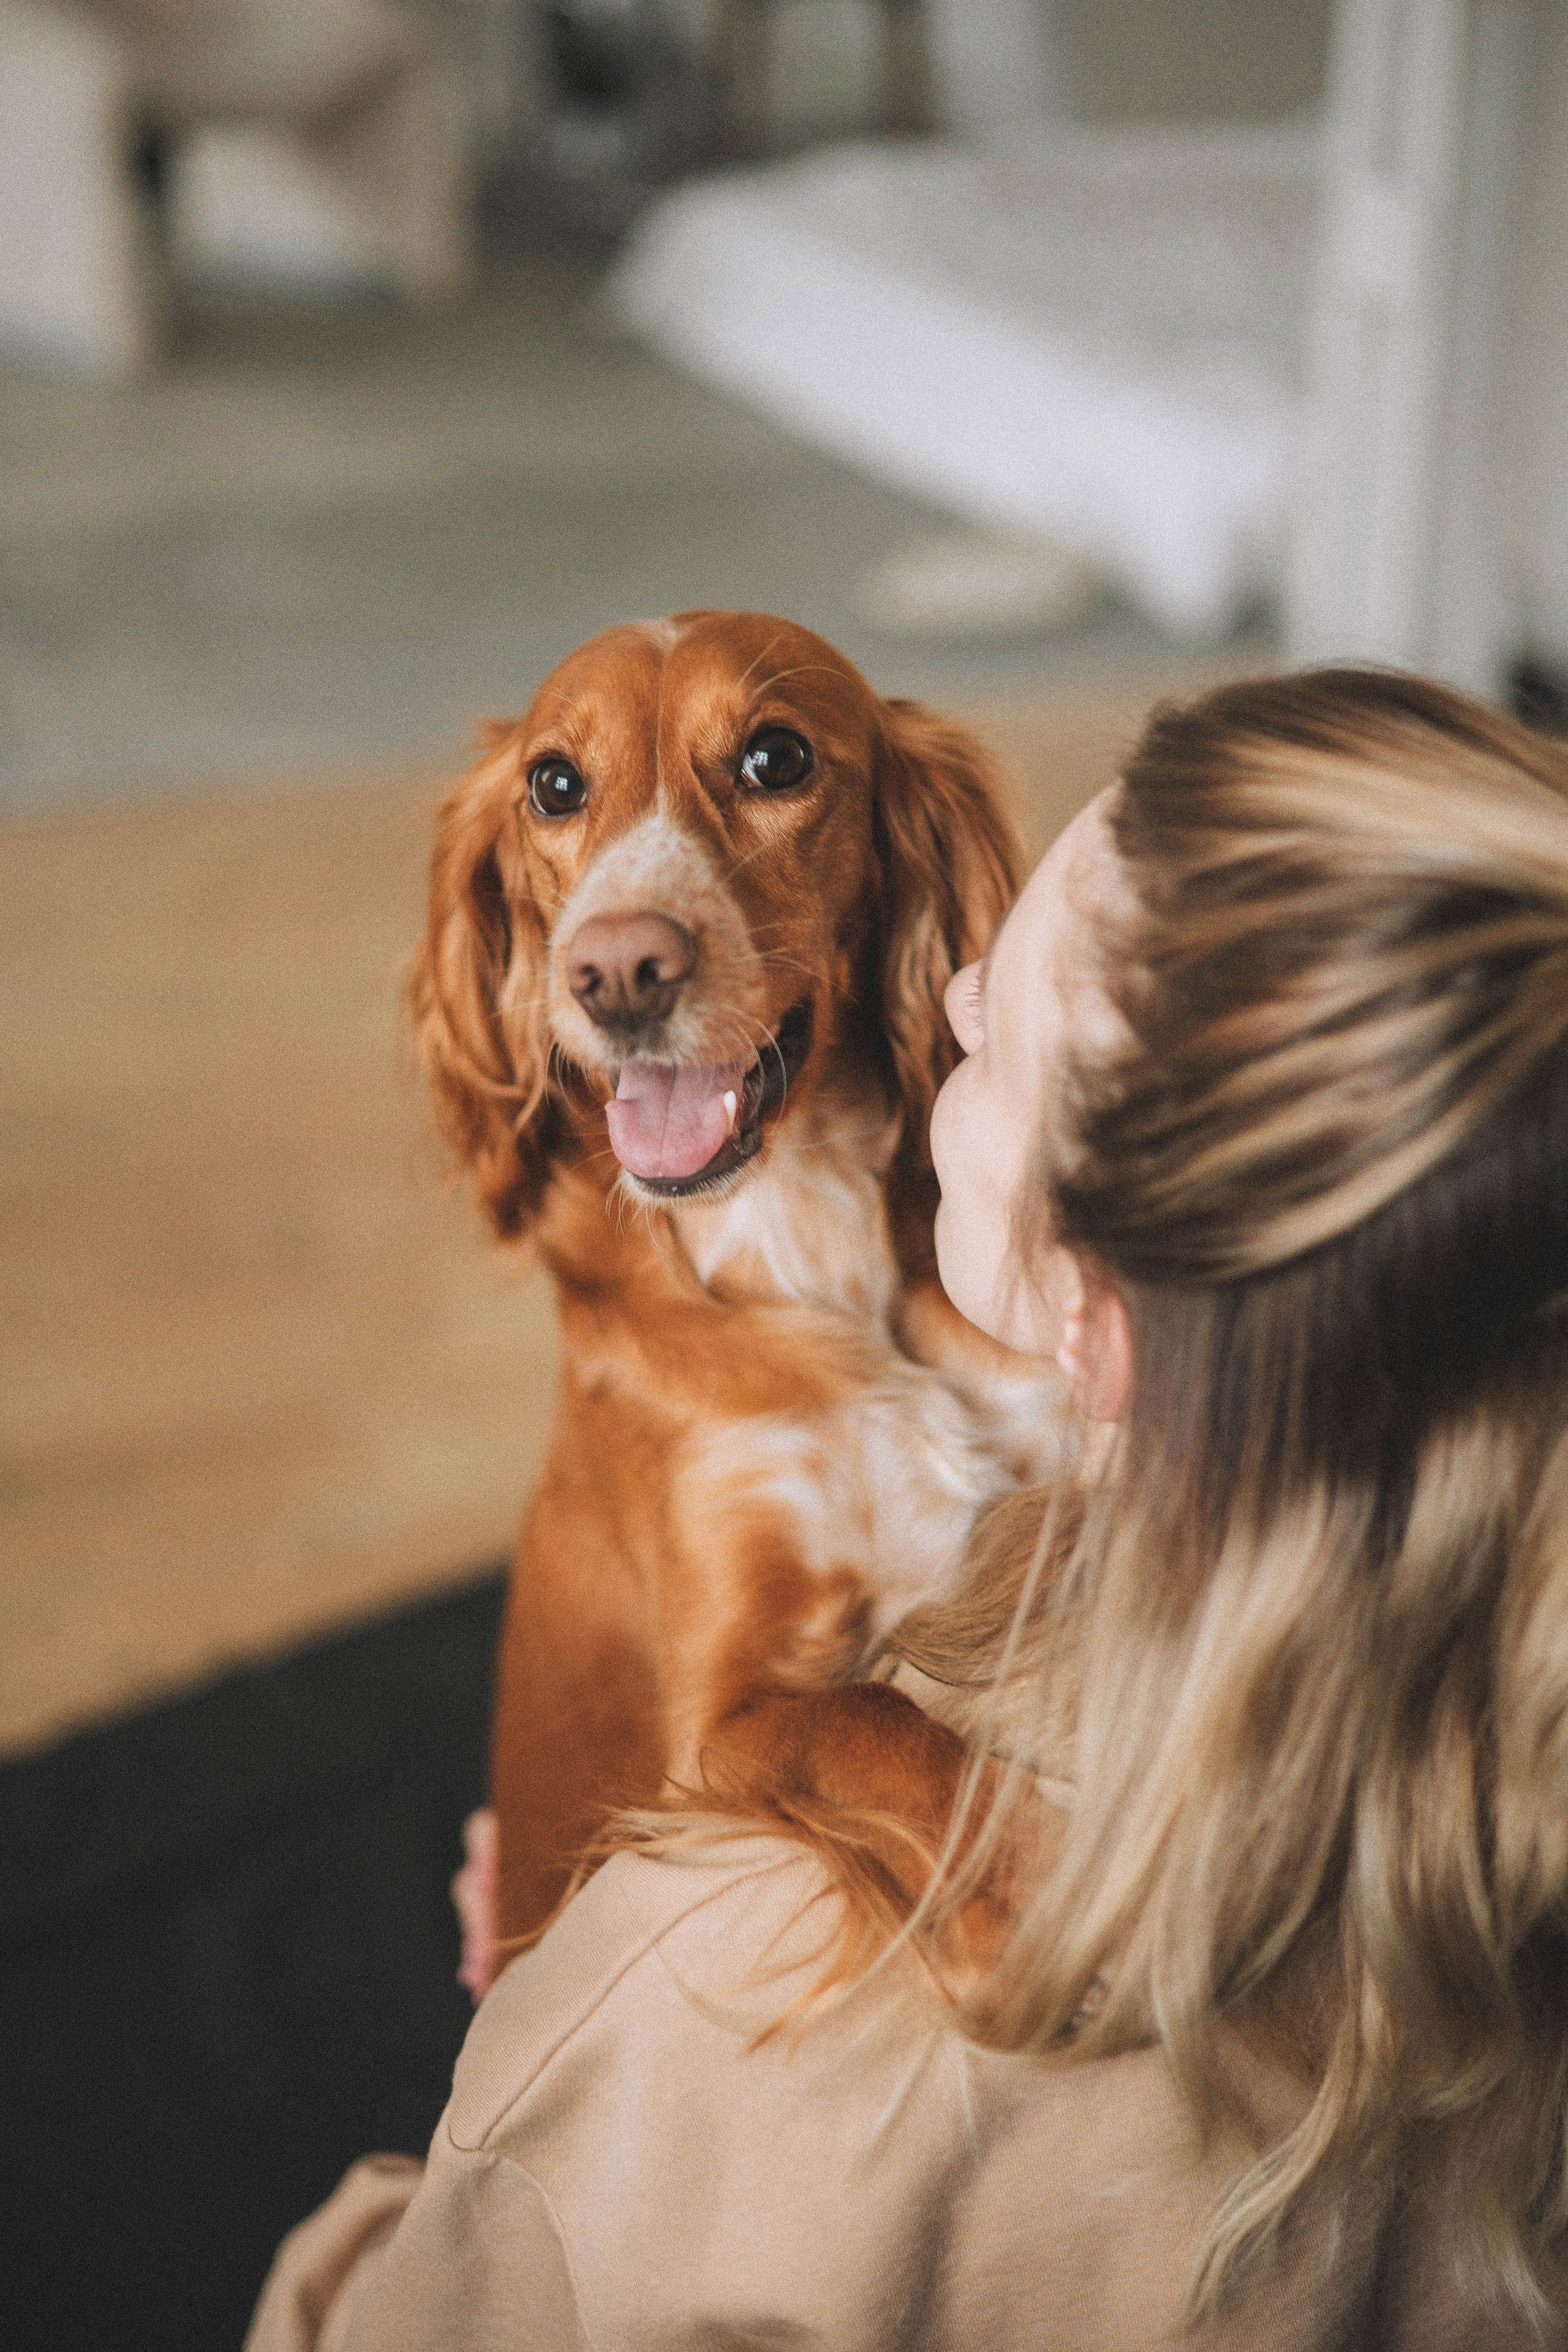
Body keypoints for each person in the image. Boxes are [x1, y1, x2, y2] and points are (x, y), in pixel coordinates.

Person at [247, 668, 1568, 2349]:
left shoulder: (707, 1986)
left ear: (1102, 1332)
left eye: (1001, 1021)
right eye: (562, 798)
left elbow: (455, 2287)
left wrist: (580, 1997)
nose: (954, 995)